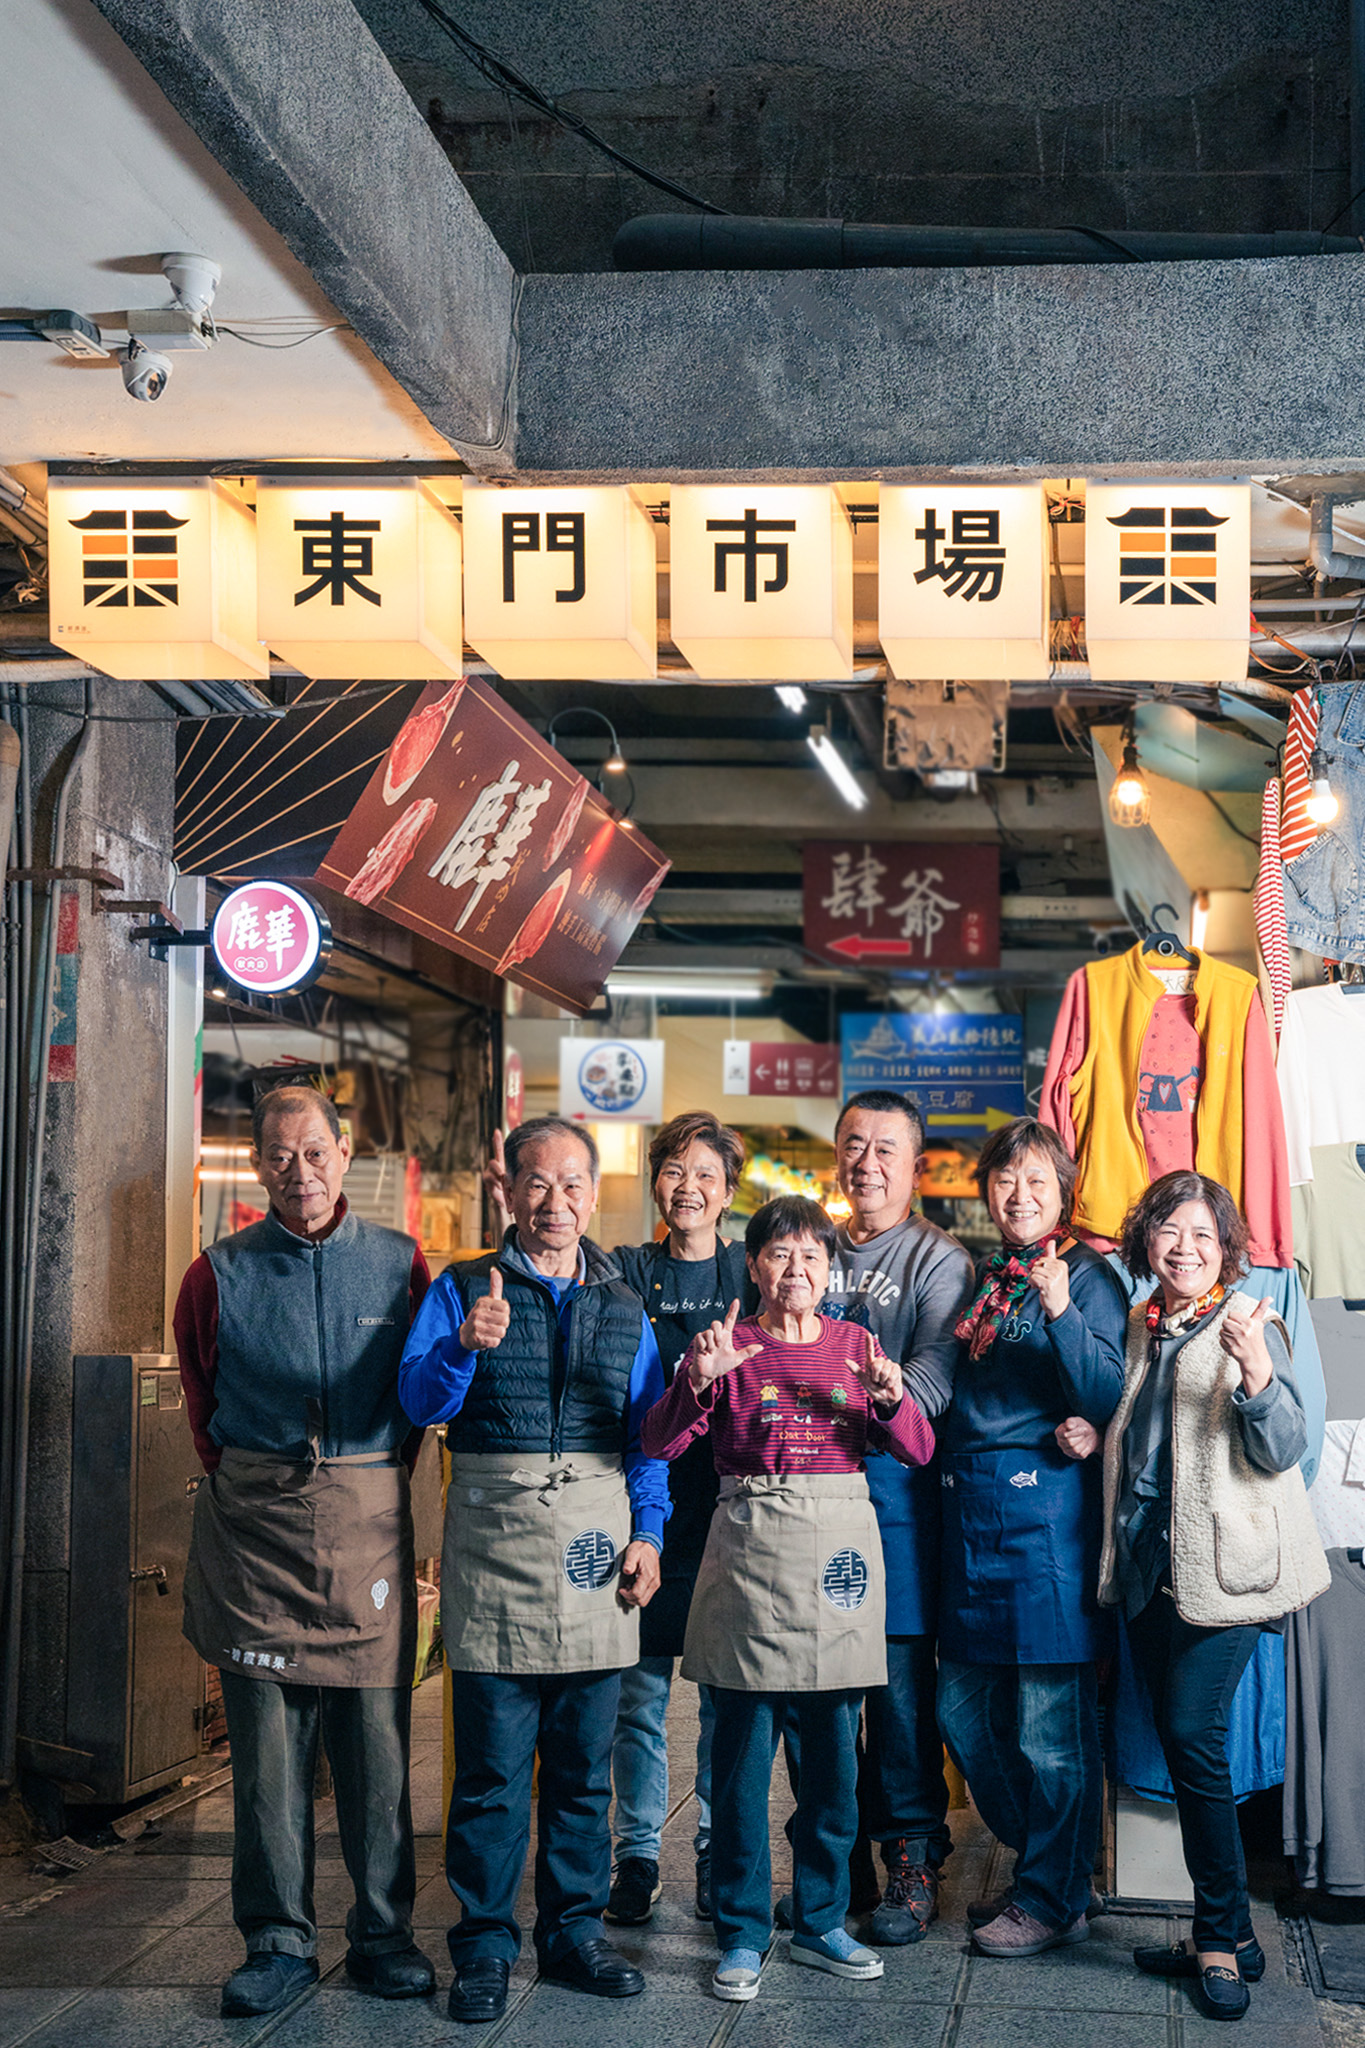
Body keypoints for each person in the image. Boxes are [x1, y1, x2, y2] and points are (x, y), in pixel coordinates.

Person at [399, 1117, 670, 2025]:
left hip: (596, 1544)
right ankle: (481, 1943)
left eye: (573, 1186)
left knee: (584, 1768)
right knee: (489, 1768)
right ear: (504, 1188)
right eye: (538, 1184)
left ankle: (572, 1933)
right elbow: (417, 1401)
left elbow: (646, 1438)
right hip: (495, 1538)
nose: (557, 1203)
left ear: (595, 1194)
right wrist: (462, 1349)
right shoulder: (461, 1288)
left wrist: (651, 1536)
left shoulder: (622, 1301)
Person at [174, 1084, 436, 2018]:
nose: (301, 1173)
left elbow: (418, 1402)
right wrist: (259, 1477)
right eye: (280, 1156)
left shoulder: (403, 1265)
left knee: (375, 1747)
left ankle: (383, 1932)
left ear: (345, 1149)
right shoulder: (217, 1272)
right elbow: (203, 1404)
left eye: (315, 1152)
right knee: (267, 1753)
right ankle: (277, 1940)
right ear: (255, 1164)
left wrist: (361, 1479)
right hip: (256, 1527)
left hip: (365, 1519)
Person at [643, 1196, 935, 2004]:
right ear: (754, 1266)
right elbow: (657, 1442)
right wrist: (695, 1383)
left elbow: (914, 1448)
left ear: (830, 1269)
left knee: (833, 1766)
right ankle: (740, 1932)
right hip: (747, 1556)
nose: (796, 1270)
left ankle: (820, 1921)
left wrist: (888, 1395)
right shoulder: (725, 1346)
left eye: (811, 1256)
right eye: (779, 1255)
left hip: (838, 1560)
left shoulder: (857, 1347)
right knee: (738, 1767)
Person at [1096, 1172, 1330, 2021]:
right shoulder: (1144, 1319)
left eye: (1200, 1234)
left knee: (1194, 1737)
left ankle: (1221, 1937)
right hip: (1155, 1569)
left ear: (1224, 1245)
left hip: (1230, 1572)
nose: (1183, 1248)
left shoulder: (1248, 1318)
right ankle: (1231, 1933)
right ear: (1144, 1242)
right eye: (1167, 1230)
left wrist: (1257, 1372)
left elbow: (1283, 1449)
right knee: (1183, 1738)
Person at [935, 1118, 1127, 1958]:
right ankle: (1053, 1867)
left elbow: (1104, 1392)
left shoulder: (1084, 1277)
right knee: (962, 1711)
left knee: (1053, 1727)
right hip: (970, 1509)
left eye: (1037, 1183)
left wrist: (1057, 1309)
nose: (1019, 1195)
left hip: (1046, 1513)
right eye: (1006, 1180)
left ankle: (1051, 1893)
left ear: (1063, 1192)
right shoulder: (986, 1276)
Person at [819, 1089, 975, 1943]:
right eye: (852, 1145)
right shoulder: (804, 1243)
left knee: (899, 1694)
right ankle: (832, 1864)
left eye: (885, 1149)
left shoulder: (938, 1262)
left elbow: (926, 1387)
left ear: (915, 1167)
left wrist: (808, 1407)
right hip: (803, 1512)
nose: (865, 1163)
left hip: (895, 1508)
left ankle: (911, 1860)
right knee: (820, 1696)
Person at [606, 1112, 756, 1928]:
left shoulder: (752, 1273)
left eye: (705, 1173)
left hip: (729, 1511)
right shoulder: (626, 1270)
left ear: (728, 1191)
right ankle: (635, 1853)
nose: (687, 1186)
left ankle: (709, 1846)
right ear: (655, 1180)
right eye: (673, 1169)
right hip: (647, 1500)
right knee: (639, 1696)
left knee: (720, 1696)